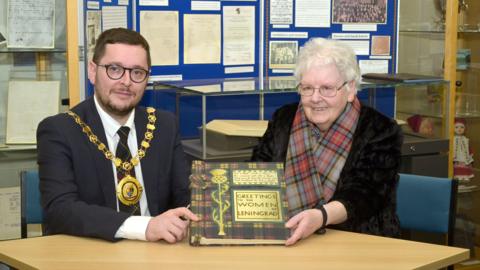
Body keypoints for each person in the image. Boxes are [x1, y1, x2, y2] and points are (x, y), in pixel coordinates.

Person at [37, 28, 198, 243]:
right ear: (93, 71)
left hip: (159, 253)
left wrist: (191, 213)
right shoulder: (60, 130)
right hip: (91, 251)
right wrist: (145, 227)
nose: (126, 81)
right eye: (115, 69)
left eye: (137, 72)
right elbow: (60, 210)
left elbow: (185, 194)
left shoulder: (164, 125)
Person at [251, 38, 403, 246]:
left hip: (360, 244)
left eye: (327, 88)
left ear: (350, 89)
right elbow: (258, 174)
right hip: (286, 238)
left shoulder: (380, 129)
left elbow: (365, 195)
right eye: (307, 88)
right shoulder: (283, 119)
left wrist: (320, 216)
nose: (315, 98)